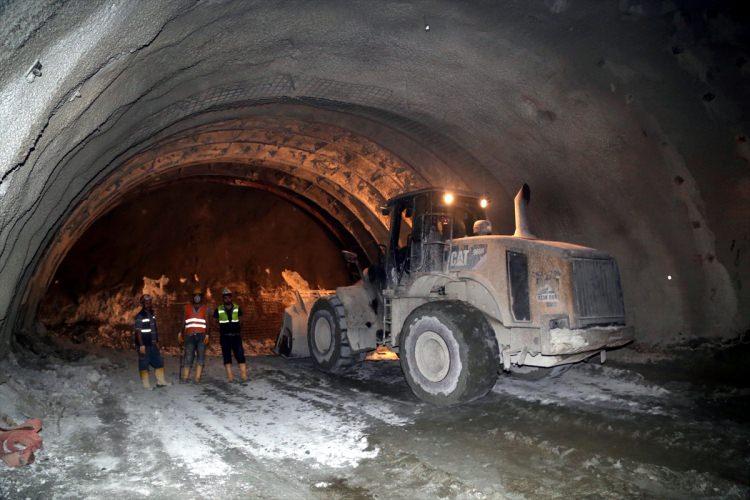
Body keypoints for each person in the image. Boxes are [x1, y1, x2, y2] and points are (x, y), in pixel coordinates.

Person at [134, 294, 168, 389]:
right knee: (144, 363)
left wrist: (156, 342)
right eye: (146, 302)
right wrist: (141, 345)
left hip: (152, 344)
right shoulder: (140, 316)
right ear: (143, 303)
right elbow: (138, 332)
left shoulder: (151, 314)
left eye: (149, 302)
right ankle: (146, 385)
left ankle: (161, 382)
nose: (148, 303)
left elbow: (154, 330)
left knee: (159, 361)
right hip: (144, 344)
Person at [213, 288, 247, 383]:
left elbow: (242, 319)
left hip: (236, 336)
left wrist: (238, 326)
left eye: (229, 297)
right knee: (226, 356)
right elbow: (214, 321)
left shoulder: (237, 307)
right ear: (223, 298)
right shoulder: (219, 309)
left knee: (240, 355)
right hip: (225, 337)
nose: (227, 299)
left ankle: (244, 376)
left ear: (231, 298)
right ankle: (230, 377)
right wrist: (220, 328)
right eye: (225, 297)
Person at [179, 288, 209, 383]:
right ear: (193, 297)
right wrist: (180, 332)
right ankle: (185, 377)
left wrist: (207, 334)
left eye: (199, 295)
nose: (197, 297)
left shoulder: (205, 308)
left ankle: (197, 378)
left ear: (201, 297)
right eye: (195, 295)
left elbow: (208, 323)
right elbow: (184, 321)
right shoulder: (187, 307)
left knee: (201, 356)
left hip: (201, 336)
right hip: (189, 336)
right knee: (188, 356)